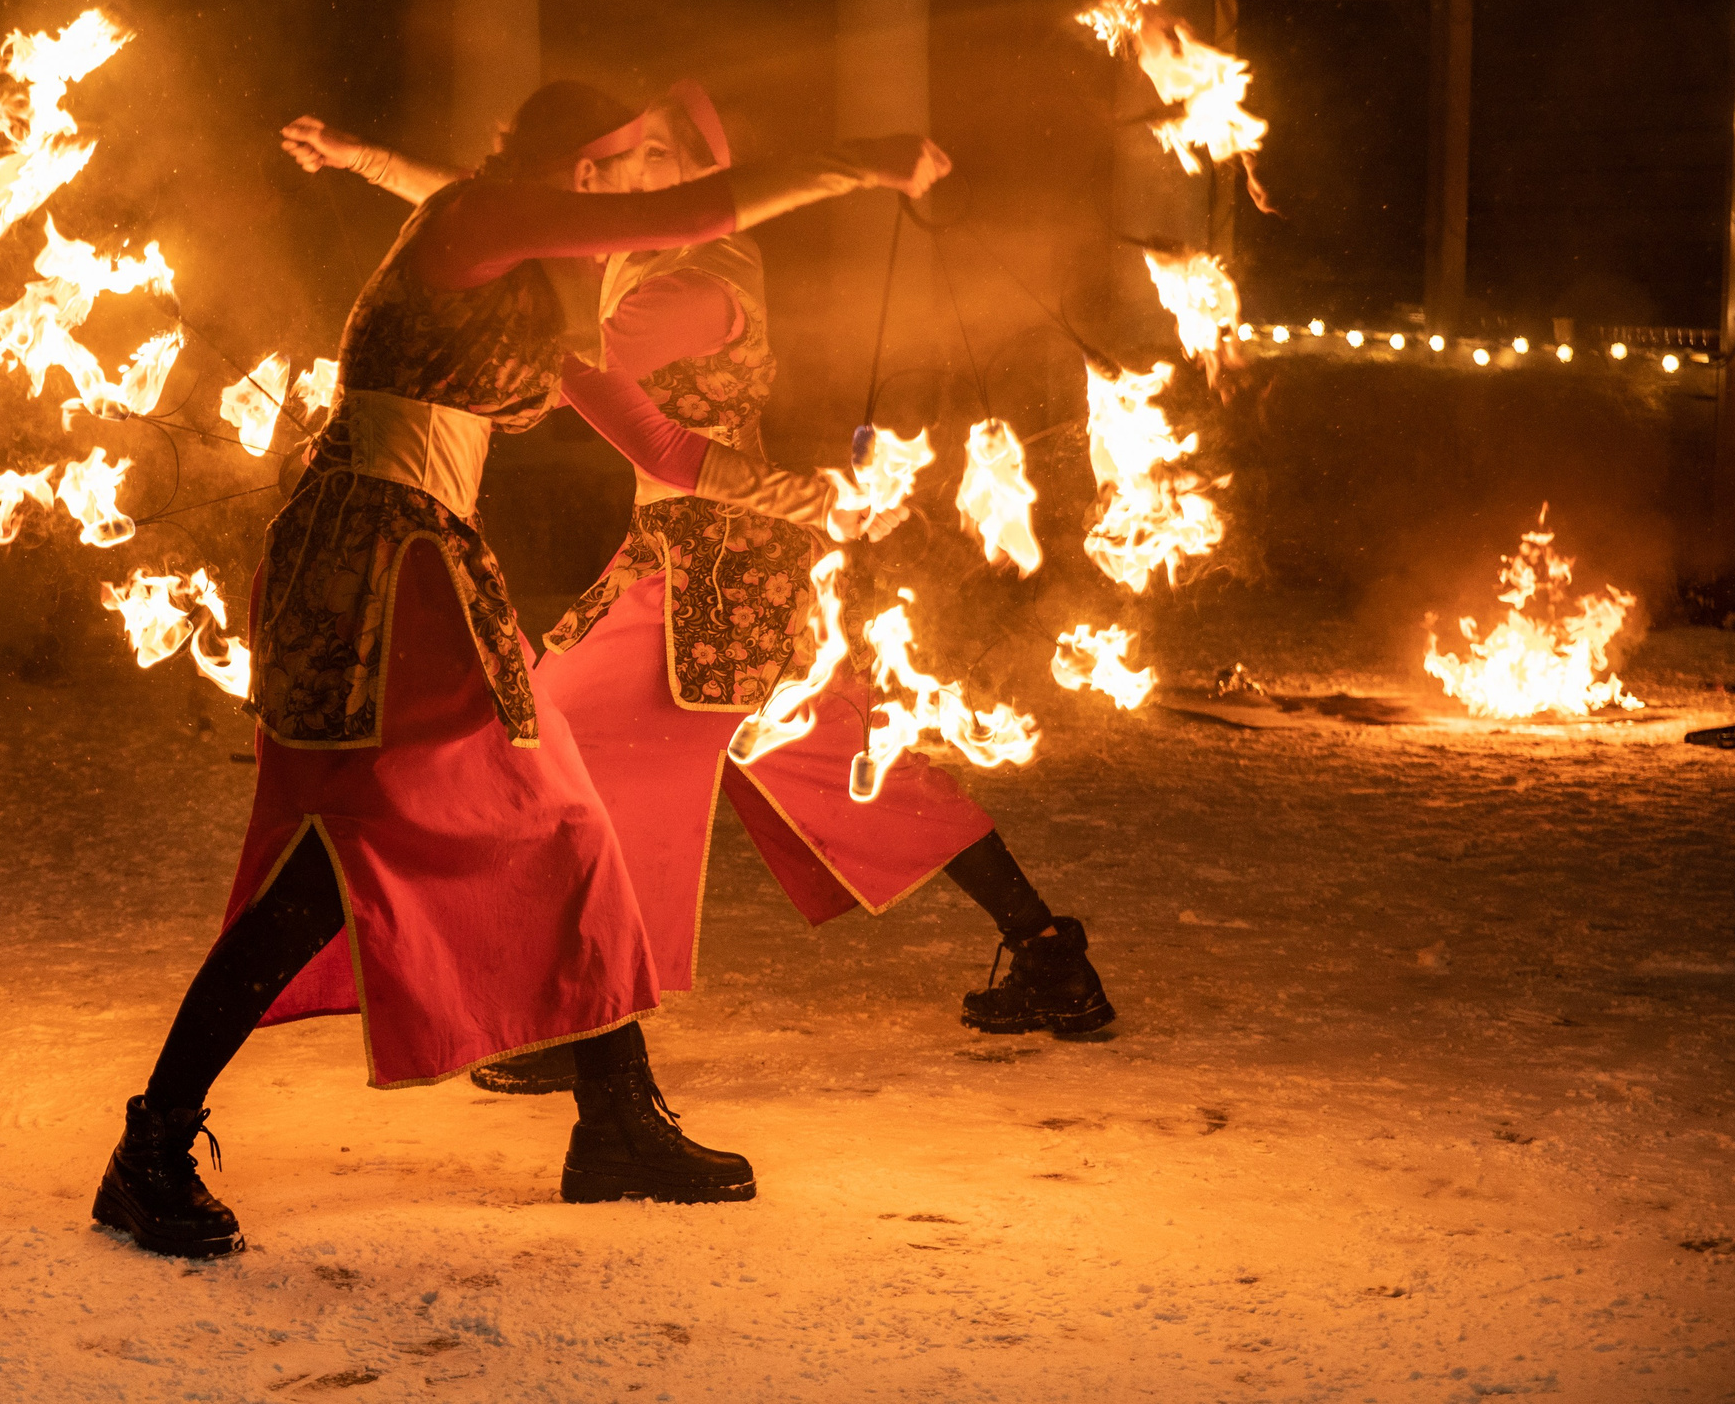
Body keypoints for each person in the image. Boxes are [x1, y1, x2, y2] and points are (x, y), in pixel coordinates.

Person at [95, 81, 945, 1259]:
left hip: (432, 564)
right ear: (554, 163)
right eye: (602, 167)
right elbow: (700, 203)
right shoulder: (477, 219)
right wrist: (857, 161)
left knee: (558, 826)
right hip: (376, 562)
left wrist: (796, 495)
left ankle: (616, 1121)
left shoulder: (534, 298)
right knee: (346, 860)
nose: (612, 189)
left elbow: (653, 443)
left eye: (623, 167)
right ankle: (152, 1145)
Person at [280, 88, 1111, 1102]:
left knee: (551, 751)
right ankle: (1045, 945)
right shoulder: (629, 259)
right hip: (698, 553)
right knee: (842, 764)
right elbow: (493, 217)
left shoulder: (698, 280)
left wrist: (494, 297)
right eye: (630, 158)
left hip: (710, 567)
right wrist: (361, 154)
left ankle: (582, 1021)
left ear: (705, 177)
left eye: (666, 158)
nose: (639, 175)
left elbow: (565, 316)